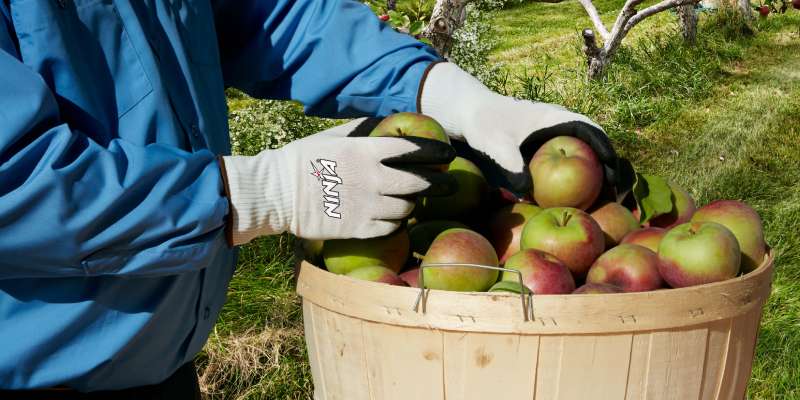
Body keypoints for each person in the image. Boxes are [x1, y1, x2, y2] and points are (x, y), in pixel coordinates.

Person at [0, 0, 625, 397]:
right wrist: (253, 192)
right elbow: (14, 178)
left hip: (159, 366)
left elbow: (270, 16)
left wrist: (451, 97)